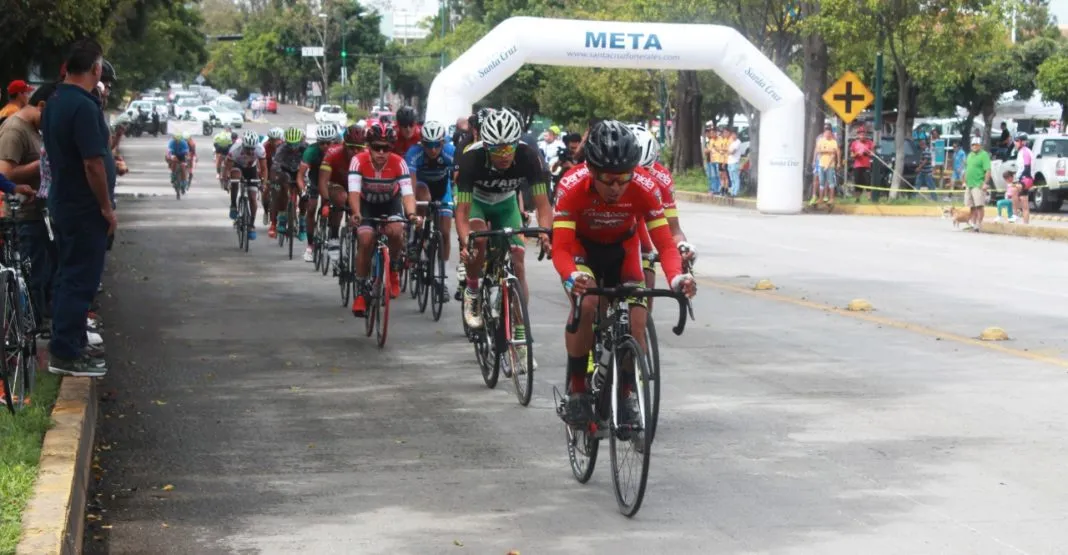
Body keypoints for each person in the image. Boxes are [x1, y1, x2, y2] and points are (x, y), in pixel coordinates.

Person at [551, 120, 696, 426]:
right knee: (587, 305)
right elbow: (561, 247)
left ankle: (627, 393)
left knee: (636, 323)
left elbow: (665, 244)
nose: (617, 187)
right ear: (591, 170)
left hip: (624, 249)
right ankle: (577, 389)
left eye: (624, 178)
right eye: (608, 179)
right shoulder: (571, 185)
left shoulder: (645, 186)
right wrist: (570, 277)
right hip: (582, 249)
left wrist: (677, 278)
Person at [41, 38, 116, 377]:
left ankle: (68, 341)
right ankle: (65, 353)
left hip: (64, 201)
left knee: (68, 274)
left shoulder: (55, 100)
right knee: (80, 278)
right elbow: (93, 164)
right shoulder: (83, 107)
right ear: (95, 69)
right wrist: (105, 207)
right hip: (84, 206)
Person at [455, 108, 551, 371]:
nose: (505, 156)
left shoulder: (529, 156)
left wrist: (544, 232)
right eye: (497, 150)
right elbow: (461, 213)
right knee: (479, 242)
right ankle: (473, 290)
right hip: (476, 203)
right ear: (486, 146)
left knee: (519, 259)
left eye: (509, 149)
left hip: (506, 204)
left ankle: (520, 341)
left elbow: (543, 205)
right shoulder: (471, 159)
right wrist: (466, 243)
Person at [348, 121, 418, 315]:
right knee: (365, 239)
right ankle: (362, 292)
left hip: (390, 202)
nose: (381, 152)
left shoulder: (398, 162)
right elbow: (353, 192)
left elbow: (407, 194)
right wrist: (356, 213)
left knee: (396, 230)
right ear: (368, 147)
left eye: (386, 148)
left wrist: (411, 214)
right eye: (376, 147)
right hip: (366, 205)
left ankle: (394, 268)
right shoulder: (359, 161)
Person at [0, 83, 55, 329]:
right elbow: (5, 173)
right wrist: (44, 162)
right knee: (30, 274)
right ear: (41, 106)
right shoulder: (14, 130)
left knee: (41, 272)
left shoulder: (33, 129)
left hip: (36, 212)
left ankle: (37, 321)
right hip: (22, 216)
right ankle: (28, 325)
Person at [405, 120, 455, 290]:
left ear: (443, 142)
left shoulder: (450, 152)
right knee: (423, 196)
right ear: (422, 143)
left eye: (437, 145)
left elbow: (459, 178)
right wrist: (411, 206)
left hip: (442, 188)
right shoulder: (414, 152)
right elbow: (410, 185)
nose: (433, 149)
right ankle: (416, 237)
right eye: (428, 145)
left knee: (446, 232)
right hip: (421, 185)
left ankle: (442, 278)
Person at [319, 125, 365, 264]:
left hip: (355, 187)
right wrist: (326, 201)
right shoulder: (333, 153)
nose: (355, 151)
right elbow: (322, 181)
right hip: (336, 184)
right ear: (344, 144)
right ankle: (334, 235)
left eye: (359, 148)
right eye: (351, 147)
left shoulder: (367, 155)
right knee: (341, 198)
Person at [297, 124, 337, 262]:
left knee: (336, 207)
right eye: (322, 143)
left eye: (329, 143)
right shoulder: (311, 151)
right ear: (317, 142)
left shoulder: (338, 149)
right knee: (311, 208)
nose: (325, 146)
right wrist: (303, 191)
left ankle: (333, 238)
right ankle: (310, 246)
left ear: (334, 141)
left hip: (331, 179)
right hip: (314, 178)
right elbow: (300, 176)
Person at [223, 129, 267, 239]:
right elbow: (227, 168)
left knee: (252, 197)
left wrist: (264, 183)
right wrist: (226, 179)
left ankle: (251, 224)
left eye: (253, 149)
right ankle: (233, 205)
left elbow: (264, 168)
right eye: (248, 149)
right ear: (243, 145)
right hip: (237, 165)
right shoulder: (235, 149)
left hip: (251, 169)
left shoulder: (260, 149)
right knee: (235, 177)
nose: (251, 152)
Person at [268, 127, 307, 240]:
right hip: (286, 171)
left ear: (301, 141)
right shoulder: (281, 148)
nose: (293, 148)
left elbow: (312, 164)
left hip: (300, 172)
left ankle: (302, 223)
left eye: (296, 144)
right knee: (282, 187)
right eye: (290, 144)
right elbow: (275, 165)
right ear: (286, 142)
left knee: (305, 196)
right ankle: (283, 217)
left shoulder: (305, 147)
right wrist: (274, 179)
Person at [962, 136, 991, 231]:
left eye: (976, 144)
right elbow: (967, 169)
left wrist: (985, 183)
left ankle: (979, 224)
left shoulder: (984, 155)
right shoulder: (970, 155)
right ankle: (974, 224)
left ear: (980, 145)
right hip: (969, 184)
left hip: (978, 184)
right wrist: (964, 181)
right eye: (972, 144)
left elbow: (987, 170)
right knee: (971, 206)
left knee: (979, 206)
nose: (974, 146)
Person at [811, 123, 839, 205]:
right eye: (826, 130)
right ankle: (819, 198)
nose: (827, 133)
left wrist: (835, 163)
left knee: (830, 182)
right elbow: (817, 150)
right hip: (820, 163)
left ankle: (830, 198)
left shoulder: (834, 140)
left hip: (830, 165)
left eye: (829, 130)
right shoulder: (820, 139)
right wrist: (827, 151)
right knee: (821, 181)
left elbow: (835, 153)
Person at [849, 126, 874, 201]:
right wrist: (856, 154)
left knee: (867, 181)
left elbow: (873, 153)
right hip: (857, 165)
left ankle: (869, 198)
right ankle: (857, 198)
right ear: (858, 135)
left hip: (866, 165)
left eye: (863, 134)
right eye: (861, 134)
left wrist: (867, 153)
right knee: (857, 181)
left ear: (865, 134)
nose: (862, 135)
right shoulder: (854, 143)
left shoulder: (869, 142)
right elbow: (851, 155)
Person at [726, 128, 742, 197]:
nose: (733, 136)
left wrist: (727, 151)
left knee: (735, 178)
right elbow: (728, 151)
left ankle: (735, 192)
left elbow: (732, 152)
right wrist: (728, 151)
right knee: (731, 178)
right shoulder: (731, 142)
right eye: (732, 135)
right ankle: (732, 192)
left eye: (734, 135)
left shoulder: (738, 142)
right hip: (730, 162)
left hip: (735, 162)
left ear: (737, 135)